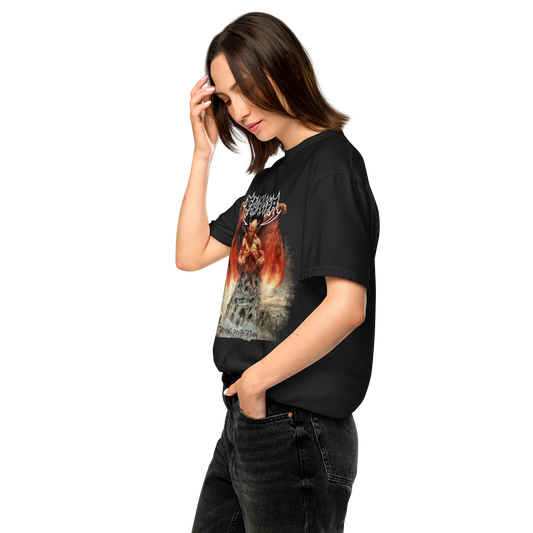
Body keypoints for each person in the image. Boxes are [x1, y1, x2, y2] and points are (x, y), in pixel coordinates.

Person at [175, 9, 383, 532]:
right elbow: (189, 256)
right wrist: (203, 152)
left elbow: (347, 306)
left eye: (246, 87)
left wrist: (255, 384)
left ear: (283, 66)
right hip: (248, 420)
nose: (239, 110)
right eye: (226, 98)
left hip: (294, 424)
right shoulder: (269, 180)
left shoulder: (333, 163)